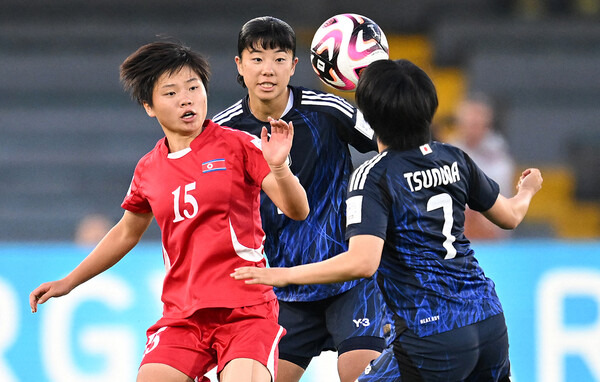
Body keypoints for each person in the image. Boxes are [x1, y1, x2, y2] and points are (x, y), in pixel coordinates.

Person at [231, 59, 543, 381]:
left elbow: (362, 262)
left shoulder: (373, 176)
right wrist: (528, 191)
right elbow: (510, 216)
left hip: (431, 333)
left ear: (371, 117)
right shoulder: (455, 157)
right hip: (487, 320)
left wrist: (284, 275)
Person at [29, 40, 309, 382]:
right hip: (183, 316)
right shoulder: (149, 168)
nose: (187, 99)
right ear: (150, 106)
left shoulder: (239, 145)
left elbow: (297, 210)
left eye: (194, 87)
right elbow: (125, 232)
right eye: (171, 93)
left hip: (245, 310)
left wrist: (280, 168)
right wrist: (68, 282)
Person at [212, 16, 386, 382]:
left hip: (348, 281)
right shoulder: (223, 133)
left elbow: (391, 144)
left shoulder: (330, 110)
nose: (267, 70)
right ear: (239, 66)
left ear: (294, 65)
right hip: (281, 290)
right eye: (256, 59)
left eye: (279, 58)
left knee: (363, 374)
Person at [449, 93, 516, 240]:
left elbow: (500, 196)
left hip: (489, 231)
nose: (474, 127)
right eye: (470, 122)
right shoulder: (447, 152)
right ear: (460, 123)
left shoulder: (499, 156)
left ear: (487, 124)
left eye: (478, 122)